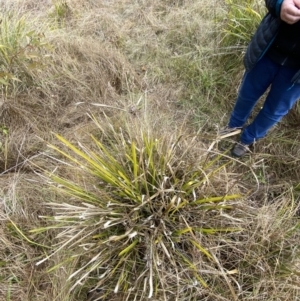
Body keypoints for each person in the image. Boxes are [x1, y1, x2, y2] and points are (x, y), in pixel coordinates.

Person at [222, 0, 300, 157]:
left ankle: (247, 139)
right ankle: (232, 127)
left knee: (275, 110)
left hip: (295, 74)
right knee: (247, 94)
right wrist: (280, 4)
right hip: (268, 51)